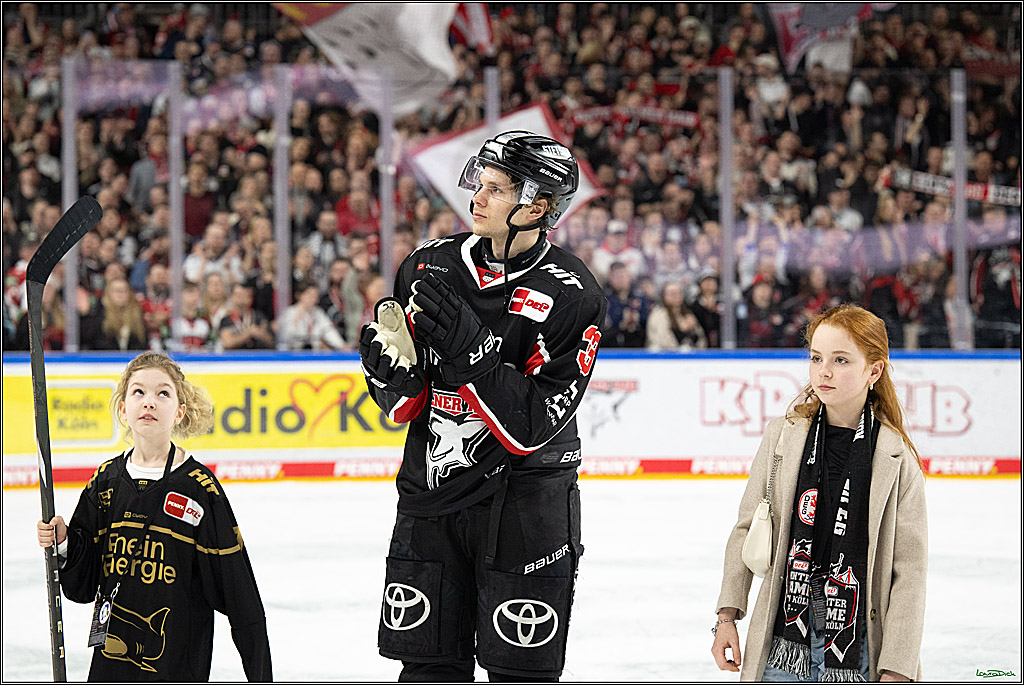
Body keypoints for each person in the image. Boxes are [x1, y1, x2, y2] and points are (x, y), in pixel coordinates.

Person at [359, 131, 606, 682]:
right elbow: (410, 401)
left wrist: (475, 355)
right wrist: (389, 382)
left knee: (519, 673)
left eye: (495, 189)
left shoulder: (573, 294)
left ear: (537, 205)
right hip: (432, 496)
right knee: (426, 668)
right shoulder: (428, 267)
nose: (476, 197)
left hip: (527, 508)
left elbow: (535, 426)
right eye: (479, 182)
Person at [712, 305, 927, 682]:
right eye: (816, 358)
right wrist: (726, 616)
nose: (823, 371)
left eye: (841, 360)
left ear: (873, 370)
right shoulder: (783, 437)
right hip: (782, 642)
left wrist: (898, 668)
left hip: (857, 648)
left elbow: (908, 573)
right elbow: (746, 528)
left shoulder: (896, 458)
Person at [36, 353, 272, 681]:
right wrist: (63, 543)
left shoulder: (199, 489)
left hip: (175, 667)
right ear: (122, 408)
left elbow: (239, 594)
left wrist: (260, 675)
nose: (149, 402)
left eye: (163, 393)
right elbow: (82, 583)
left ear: (179, 413)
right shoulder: (105, 481)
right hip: (111, 665)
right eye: (138, 392)